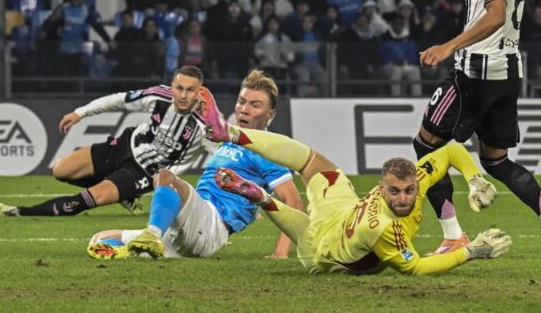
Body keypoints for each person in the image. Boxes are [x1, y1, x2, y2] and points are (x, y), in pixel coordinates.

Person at [198, 94, 511, 275]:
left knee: (310, 180)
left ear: (417, 184)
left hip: (339, 221)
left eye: (409, 191)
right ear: (381, 188)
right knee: (309, 169)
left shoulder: (412, 178)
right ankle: (232, 136)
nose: (403, 198)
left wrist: (475, 178)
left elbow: (452, 151)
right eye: (394, 192)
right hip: (330, 238)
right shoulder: (382, 228)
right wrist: (472, 251)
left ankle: (258, 194)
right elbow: (416, 267)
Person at [415, 0, 541, 256]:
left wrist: (448, 47)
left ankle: (453, 236)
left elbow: (496, 14)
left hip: (475, 73)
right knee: (496, 161)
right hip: (508, 72)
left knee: (425, 146)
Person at [87, 71, 303, 260]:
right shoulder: (230, 141)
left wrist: (281, 252)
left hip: (210, 225)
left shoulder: (268, 151)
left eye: (255, 105)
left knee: (165, 177)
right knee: (101, 239)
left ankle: (152, 235)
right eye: (241, 101)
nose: (244, 109)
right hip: (189, 226)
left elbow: (293, 201)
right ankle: (136, 249)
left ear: (270, 114)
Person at [0, 66, 210, 217]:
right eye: (179, 88)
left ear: (199, 92)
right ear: (172, 86)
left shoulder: (206, 126)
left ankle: (21, 211)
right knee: (60, 170)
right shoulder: (159, 96)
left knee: (84, 201)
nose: (183, 95)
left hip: (145, 172)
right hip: (126, 145)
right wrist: (80, 113)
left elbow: (221, 156)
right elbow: (118, 100)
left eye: (190, 90)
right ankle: (125, 196)